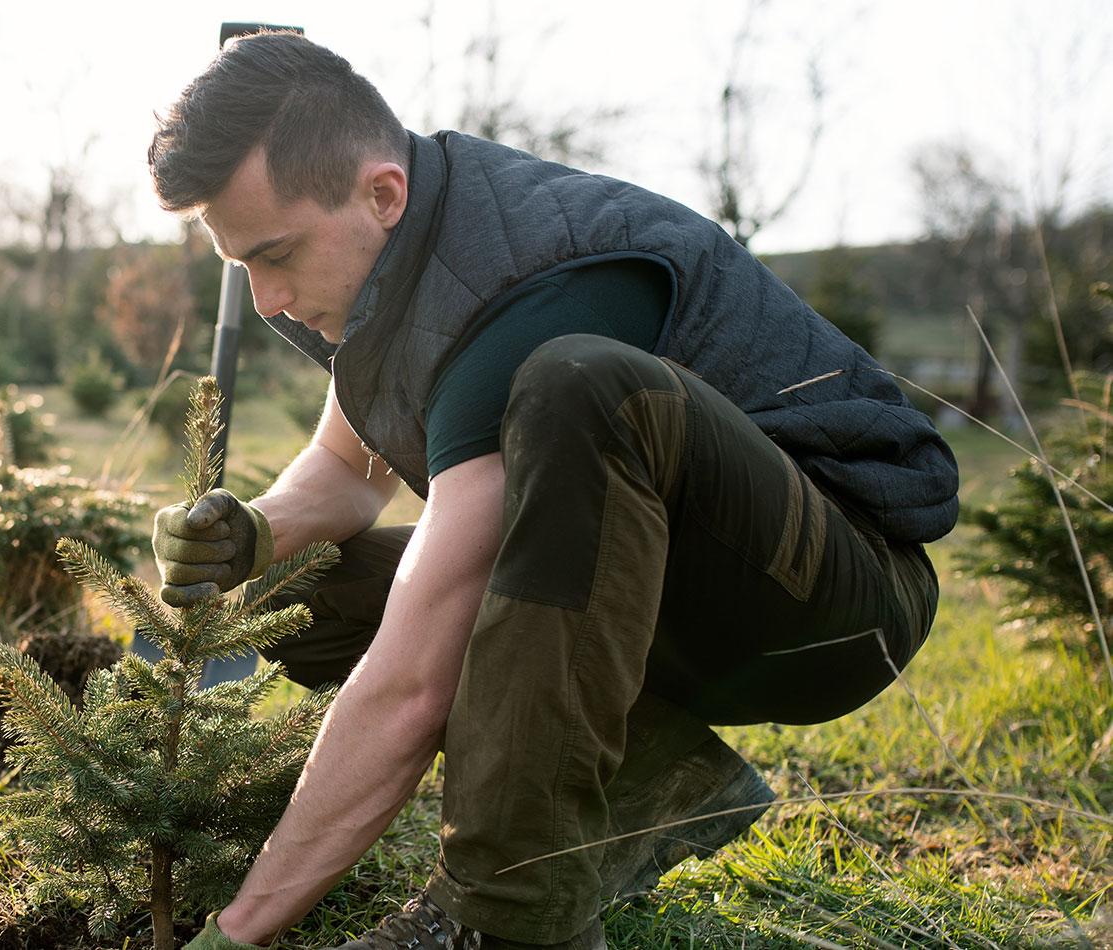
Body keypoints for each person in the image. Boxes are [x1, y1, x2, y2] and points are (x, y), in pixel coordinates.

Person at [145, 31, 958, 950]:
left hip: (832, 599)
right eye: (240, 264)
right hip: (656, 584)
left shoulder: (529, 283)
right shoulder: (393, 251)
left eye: (276, 254)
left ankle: (502, 916)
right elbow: (346, 464)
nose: (263, 300)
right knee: (300, 585)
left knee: (579, 384)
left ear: (380, 192)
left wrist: (240, 930)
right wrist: (255, 531)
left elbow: (414, 676)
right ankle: (645, 780)